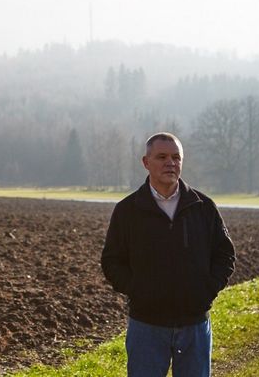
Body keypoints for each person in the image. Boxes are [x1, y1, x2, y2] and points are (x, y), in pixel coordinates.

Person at [101, 132, 235, 376]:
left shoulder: (203, 207)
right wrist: (138, 289)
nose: (170, 163)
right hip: (146, 325)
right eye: (162, 157)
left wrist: (206, 290)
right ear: (146, 162)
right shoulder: (127, 211)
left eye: (176, 157)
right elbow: (111, 261)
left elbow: (225, 254)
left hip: (194, 324)